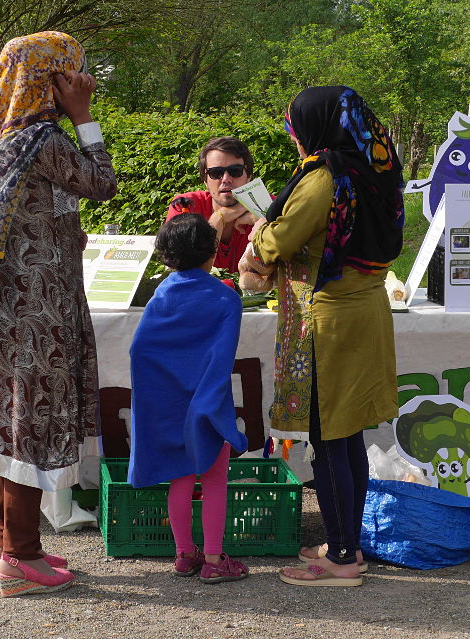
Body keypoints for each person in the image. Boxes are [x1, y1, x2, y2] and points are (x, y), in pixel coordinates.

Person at [0, 31, 117, 597]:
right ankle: (20, 555)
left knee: (7, 419)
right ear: (52, 78)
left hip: (2, 310)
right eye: (74, 71)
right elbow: (103, 183)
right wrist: (84, 116)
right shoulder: (43, 140)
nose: (83, 79)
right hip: (38, 312)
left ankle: (4, 538)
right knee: (30, 422)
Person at [248, 86, 404, 586]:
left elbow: (278, 241)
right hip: (364, 310)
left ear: (314, 128)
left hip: (327, 321)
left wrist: (258, 231)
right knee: (347, 433)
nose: (294, 138)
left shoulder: (323, 177)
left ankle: (340, 559)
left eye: (295, 127)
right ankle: (348, 544)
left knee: (329, 435)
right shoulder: (374, 169)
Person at [127, 213, 250, 584]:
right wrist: (210, 403)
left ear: (166, 255)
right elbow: (222, 355)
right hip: (206, 400)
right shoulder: (227, 298)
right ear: (211, 252)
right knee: (214, 479)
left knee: (179, 477)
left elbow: (139, 350)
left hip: (166, 404)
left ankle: (184, 555)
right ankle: (214, 558)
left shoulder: (160, 295)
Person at [166, 137, 258, 273]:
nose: (226, 179)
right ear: (205, 180)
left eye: (235, 171)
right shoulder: (185, 206)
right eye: (216, 173)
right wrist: (219, 217)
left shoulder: (268, 205)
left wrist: (264, 218)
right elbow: (187, 270)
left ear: (249, 175)